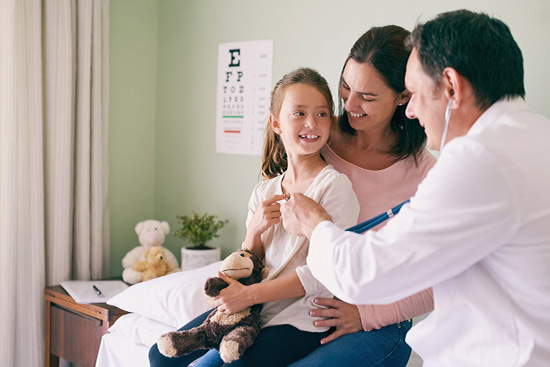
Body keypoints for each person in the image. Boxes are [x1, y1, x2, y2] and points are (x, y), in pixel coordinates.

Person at [281, 9, 550, 367]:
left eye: (417, 93)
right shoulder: (537, 136)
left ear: (451, 86)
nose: (411, 111)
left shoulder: (475, 160)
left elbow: (365, 274)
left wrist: (315, 223)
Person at [214, 25, 437, 367]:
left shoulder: (425, 174)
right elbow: (272, 223)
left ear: (403, 96)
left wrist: (367, 315)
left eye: (368, 96)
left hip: (373, 320)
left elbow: (438, 281)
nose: (349, 105)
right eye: (345, 87)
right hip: (294, 306)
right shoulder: (317, 133)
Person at [149, 67, 359, 367]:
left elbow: (321, 275)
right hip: (254, 308)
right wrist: (255, 232)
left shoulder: (334, 187)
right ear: (276, 123)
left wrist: (248, 297)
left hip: (302, 316)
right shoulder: (265, 191)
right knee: (160, 357)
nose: (312, 123)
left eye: (322, 114)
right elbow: (251, 265)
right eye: (299, 113)